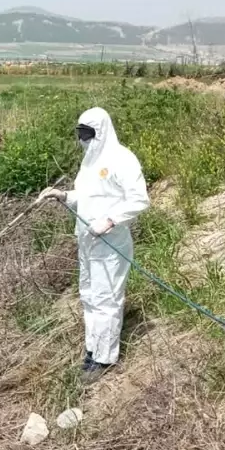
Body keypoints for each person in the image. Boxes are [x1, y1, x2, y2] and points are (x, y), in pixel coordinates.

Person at [35, 107, 150, 384]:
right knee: (89, 295)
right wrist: (63, 195)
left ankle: (104, 358)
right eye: (80, 133)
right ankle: (92, 349)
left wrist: (110, 220)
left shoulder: (122, 159)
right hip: (87, 241)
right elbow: (87, 196)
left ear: (100, 132)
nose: (83, 139)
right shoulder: (90, 161)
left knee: (106, 299)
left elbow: (139, 199)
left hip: (111, 244)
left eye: (87, 134)